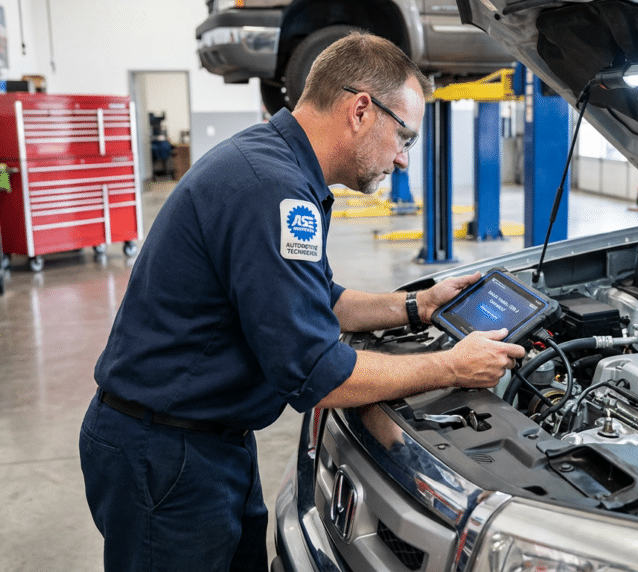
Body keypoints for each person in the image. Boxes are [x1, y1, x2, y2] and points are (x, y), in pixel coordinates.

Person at [79, 31, 526, 572]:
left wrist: (420, 306)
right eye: (402, 136)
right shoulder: (272, 189)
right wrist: (451, 365)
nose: (403, 160)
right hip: (165, 457)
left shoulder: (276, 167)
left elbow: (317, 300)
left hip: (207, 443)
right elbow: (321, 374)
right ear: (361, 109)